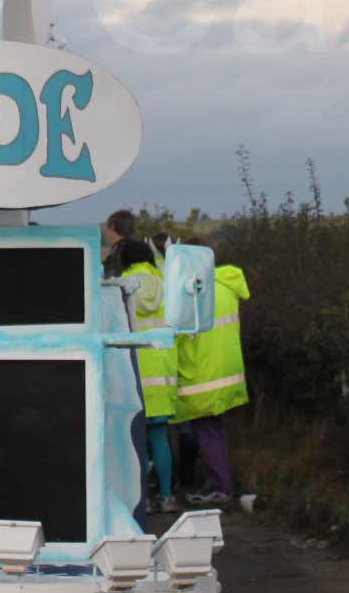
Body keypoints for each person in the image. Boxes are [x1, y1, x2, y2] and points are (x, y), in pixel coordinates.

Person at [102, 211, 179, 513]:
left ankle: (140, 499)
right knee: (160, 437)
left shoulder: (125, 284)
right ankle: (168, 495)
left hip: (136, 370)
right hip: (163, 368)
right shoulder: (164, 280)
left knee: (135, 440)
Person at [174, 256, 250, 506]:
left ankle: (220, 485)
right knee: (214, 429)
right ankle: (219, 481)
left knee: (207, 430)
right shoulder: (227, 286)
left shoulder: (193, 292)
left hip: (202, 374)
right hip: (227, 370)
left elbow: (180, 335)